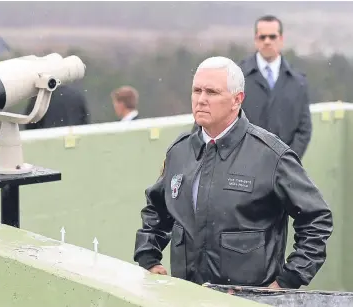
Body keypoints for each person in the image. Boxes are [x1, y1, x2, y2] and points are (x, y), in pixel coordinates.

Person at [133, 56, 333, 289]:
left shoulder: (271, 155)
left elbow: (316, 218)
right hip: (187, 296)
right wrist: (148, 255)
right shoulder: (180, 151)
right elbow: (157, 208)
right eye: (196, 91)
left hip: (248, 299)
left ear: (237, 100)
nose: (201, 100)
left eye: (212, 92)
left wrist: (288, 280)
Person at [239, 15, 312, 159]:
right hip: (244, 167)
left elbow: (304, 130)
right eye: (262, 37)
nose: (267, 41)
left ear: (281, 39)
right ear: (256, 40)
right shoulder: (238, 77)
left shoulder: (298, 82)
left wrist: (287, 161)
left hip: (284, 171)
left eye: (272, 37)